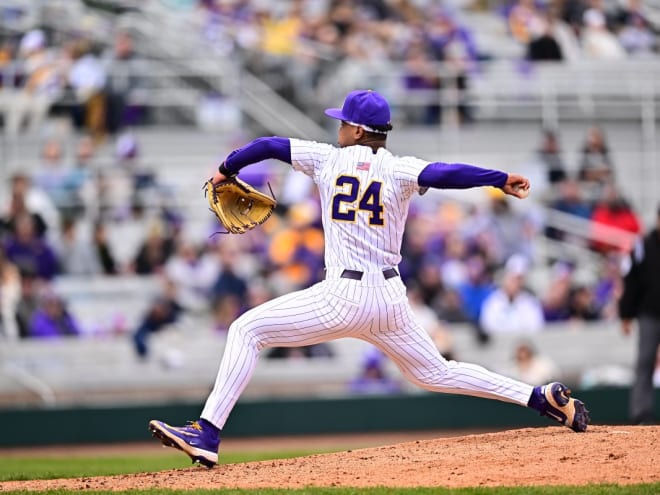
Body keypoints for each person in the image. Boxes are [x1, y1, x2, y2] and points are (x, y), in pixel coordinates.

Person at [148, 89, 590, 468]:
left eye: (343, 122)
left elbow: (266, 144)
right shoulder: (398, 168)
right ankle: (537, 398)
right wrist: (498, 179)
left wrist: (226, 169)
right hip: (391, 299)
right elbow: (443, 173)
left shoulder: (326, 159)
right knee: (436, 371)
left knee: (247, 329)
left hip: (343, 294)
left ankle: (207, 434)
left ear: (358, 130)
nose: (338, 128)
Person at [619, 206, 660, 425]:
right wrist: (626, 315)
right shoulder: (643, 246)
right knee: (645, 361)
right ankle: (641, 413)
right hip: (650, 314)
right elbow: (632, 282)